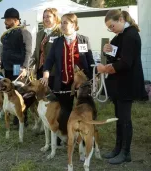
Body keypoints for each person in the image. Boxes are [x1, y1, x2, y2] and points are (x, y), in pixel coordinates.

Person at [97, 10, 147, 165]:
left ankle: (126, 152)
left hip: (128, 83)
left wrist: (105, 69)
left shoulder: (131, 35)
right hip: (119, 84)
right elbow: (117, 55)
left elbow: (126, 62)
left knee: (125, 119)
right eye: (109, 28)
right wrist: (109, 50)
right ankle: (118, 148)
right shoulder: (121, 35)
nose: (111, 30)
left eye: (112, 26)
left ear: (120, 19)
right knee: (119, 117)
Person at [41, 13, 95, 136]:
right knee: (65, 111)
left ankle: (85, 134)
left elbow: (90, 61)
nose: (62, 25)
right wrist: (46, 73)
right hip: (63, 83)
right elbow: (49, 60)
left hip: (81, 84)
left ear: (74, 25)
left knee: (84, 109)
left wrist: (92, 79)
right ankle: (66, 135)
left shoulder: (84, 40)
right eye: (62, 23)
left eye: (66, 22)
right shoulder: (57, 42)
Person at [0, 8, 32, 126]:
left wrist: (24, 67)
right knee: (10, 92)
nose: (5, 22)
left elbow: (28, 51)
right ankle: (15, 116)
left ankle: (23, 117)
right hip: (8, 67)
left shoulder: (23, 32)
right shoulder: (8, 33)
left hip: (18, 66)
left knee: (20, 92)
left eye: (7, 20)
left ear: (15, 20)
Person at [30, 8, 62, 82]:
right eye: (44, 17)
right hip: (40, 69)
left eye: (48, 16)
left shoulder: (60, 33)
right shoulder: (40, 33)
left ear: (55, 17)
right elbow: (37, 50)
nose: (45, 19)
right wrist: (30, 63)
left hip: (53, 71)